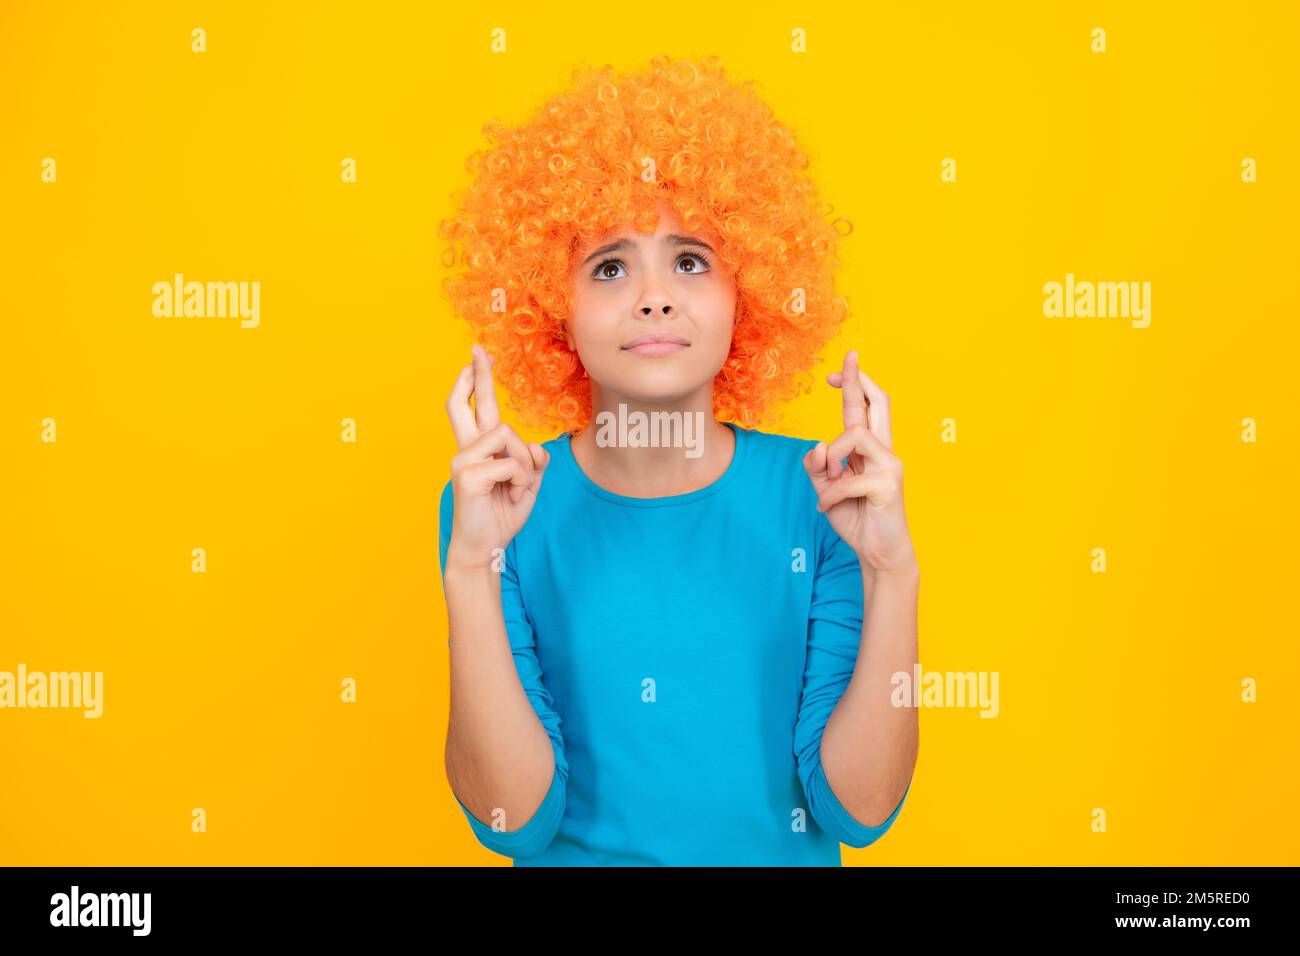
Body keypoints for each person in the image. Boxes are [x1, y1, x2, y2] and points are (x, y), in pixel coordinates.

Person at [435, 55, 918, 865]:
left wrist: (892, 570)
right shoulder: (502, 502)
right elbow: (509, 818)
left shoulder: (828, 494)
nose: (654, 297)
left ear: (746, 295)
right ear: (557, 307)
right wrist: (472, 567)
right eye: (611, 266)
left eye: (691, 262)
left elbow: (858, 813)